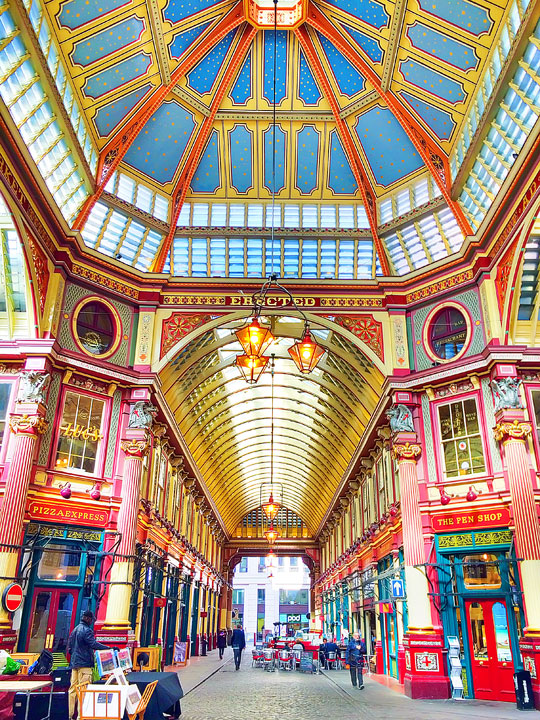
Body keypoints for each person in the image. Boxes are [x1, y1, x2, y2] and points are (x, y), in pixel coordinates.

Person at [67, 610, 110, 719]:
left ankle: (71, 715)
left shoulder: (75, 630)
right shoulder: (87, 631)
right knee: (83, 690)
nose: (91, 621)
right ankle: (81, 715)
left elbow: (69, 648)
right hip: (85, 665)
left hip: (75, 664)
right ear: (87, 618)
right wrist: (108, 648)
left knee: (72, 690)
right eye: (91, 619)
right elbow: (93, 644)